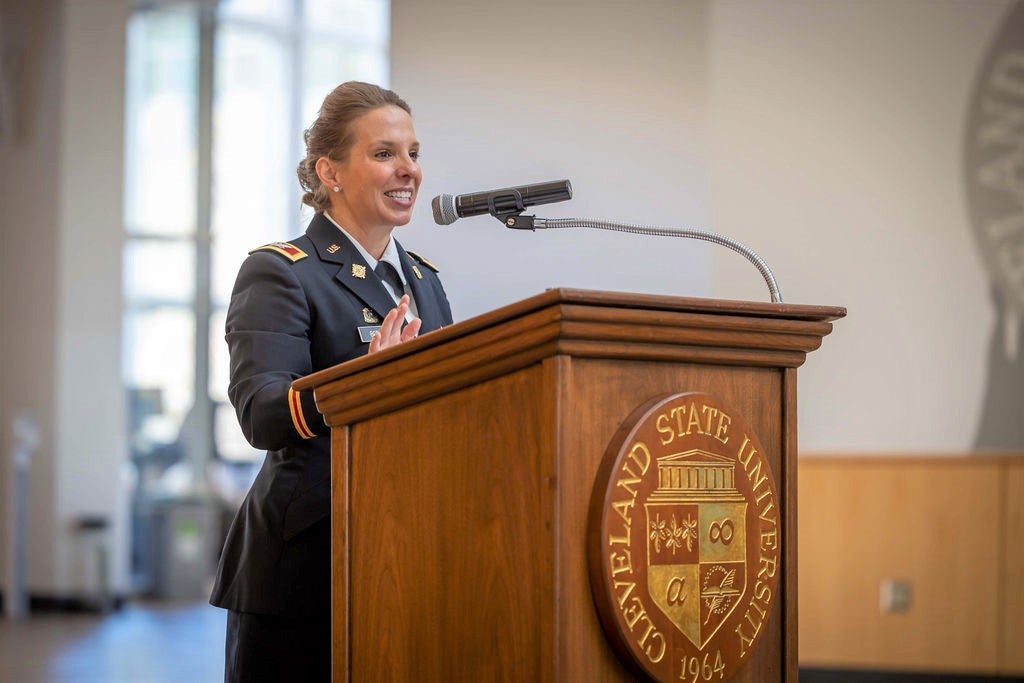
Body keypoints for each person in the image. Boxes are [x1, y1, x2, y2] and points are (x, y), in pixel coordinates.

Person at [209, 81, 453, 681]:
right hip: (304, 569)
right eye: (384, 154)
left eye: (414, 154)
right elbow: (261, 414)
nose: (408, 171)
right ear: (330, 171)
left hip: (405, 555)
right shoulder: (280, 272)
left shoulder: (423, 280)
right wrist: (365, 382)